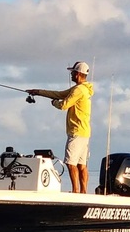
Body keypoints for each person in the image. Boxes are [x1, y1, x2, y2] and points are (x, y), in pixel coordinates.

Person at [26, 62, 94, 193]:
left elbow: (64, 105)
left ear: (79, 74)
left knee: (70, 163)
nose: (71, 74)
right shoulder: (83, 89)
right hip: (84, 132)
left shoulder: (78, 90)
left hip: (76, 131)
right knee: (81, 164)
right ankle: (83, 192)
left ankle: (75, 191)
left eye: (73, 72)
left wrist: (54, 103)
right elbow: (59, 94)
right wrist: (38, 92)